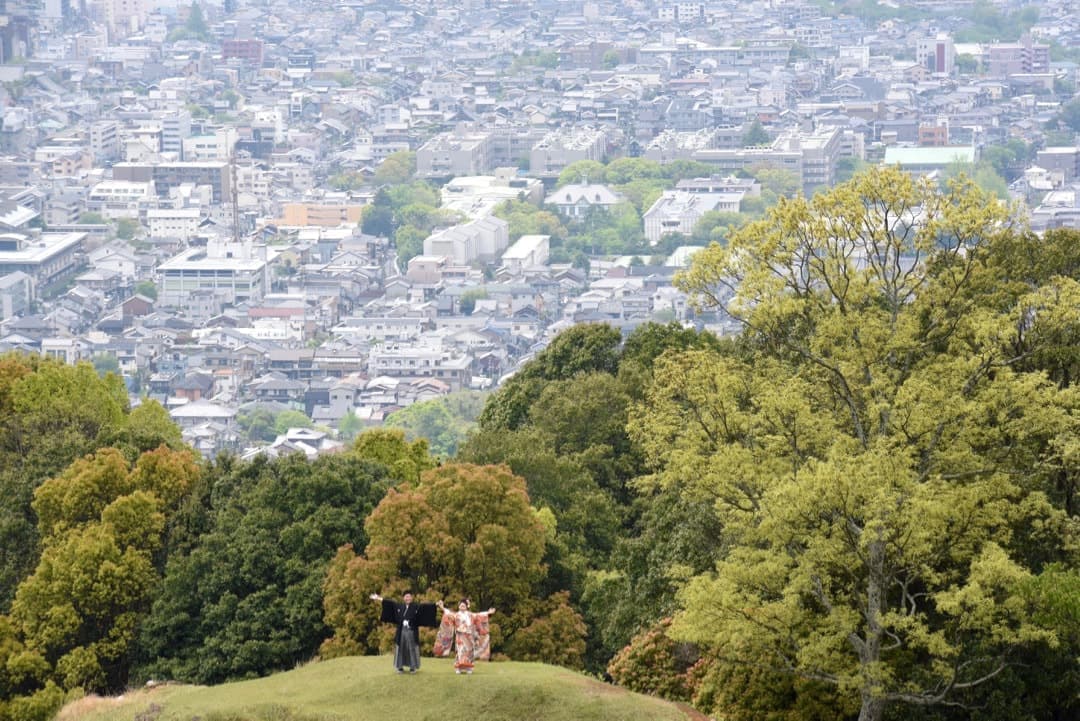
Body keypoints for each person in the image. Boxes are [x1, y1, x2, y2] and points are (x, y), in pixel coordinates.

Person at [370, 592, 436, 673]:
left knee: (412, 649)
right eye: (406, 597)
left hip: (411, 631)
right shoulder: (400, 606)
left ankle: (413, 667)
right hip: (401, 631)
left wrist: (435, 604)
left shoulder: (416, 606)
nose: (408, 598)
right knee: (400, 648)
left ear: (411, 598)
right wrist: (378, 598)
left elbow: (425, 607)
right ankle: (400, 667)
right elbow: (390, 603)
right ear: (403, 598)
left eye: (409, 597)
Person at [434, 598, 495, 674]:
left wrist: (488, 612)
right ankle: (458, 668)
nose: (462, 606)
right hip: (460, 636)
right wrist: (442, 607)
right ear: (459, 606)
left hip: (469, 636)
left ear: (467, 607)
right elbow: (448, 613)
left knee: (469, 652)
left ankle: (469, 668)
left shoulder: (471, 615)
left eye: (464, 605)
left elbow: (480, 615)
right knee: (460, 651)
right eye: (461, 605)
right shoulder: (456, 615)